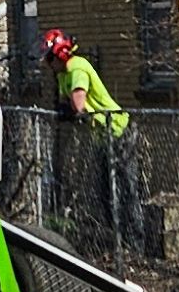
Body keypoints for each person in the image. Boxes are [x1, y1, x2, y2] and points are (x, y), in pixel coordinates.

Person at [45, 27, 146, 255]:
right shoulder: (63, 74)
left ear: (60, 55)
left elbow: (78, 106)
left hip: (118, 132)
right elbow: (66, 104)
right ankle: (118, 243)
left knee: (127, 190)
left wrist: (70, 111)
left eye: (50, 58)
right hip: (101, 136)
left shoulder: (77, 69)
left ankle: (136, 245)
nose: (47, 64)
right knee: (105, 192)